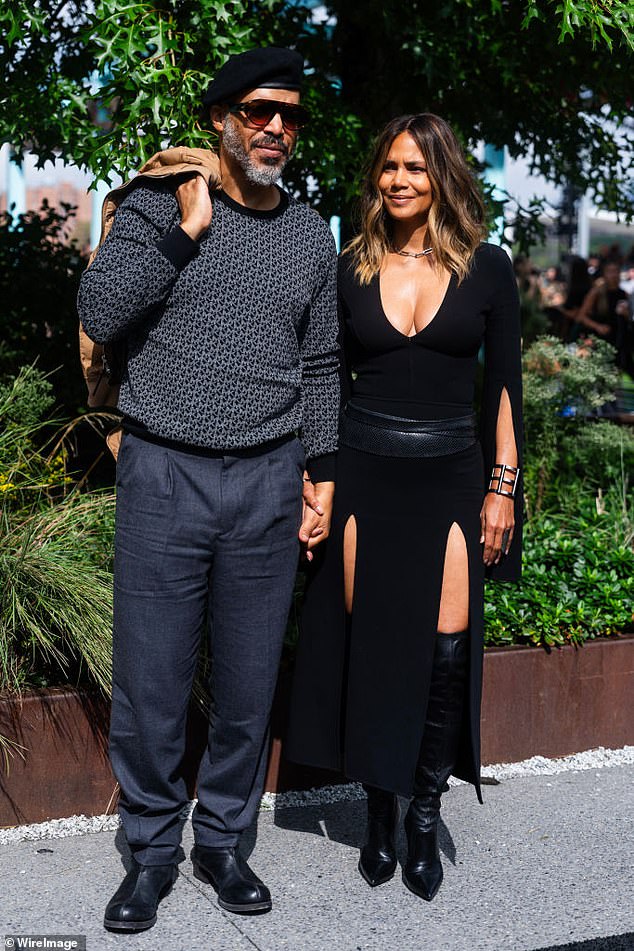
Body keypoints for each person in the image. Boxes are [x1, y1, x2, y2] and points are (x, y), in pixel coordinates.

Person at [78, 46, 339, 932]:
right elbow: (100, 313)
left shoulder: (309, 231)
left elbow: (323, 362)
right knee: (150, 680)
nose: (276, 128)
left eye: (291, 115)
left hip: (269, 476)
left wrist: (322, 474)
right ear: (221, 118)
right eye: (260, 111)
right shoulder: (157, 205)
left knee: (247, 678)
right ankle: (149, 853)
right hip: (164, 471)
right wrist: (185, 231)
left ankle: (222, 841)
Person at [287, 113, 523, 902]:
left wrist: (503, 487)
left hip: (452, 479)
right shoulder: (350, 266)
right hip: (365, 474)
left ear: (442, 177)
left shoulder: (488, 268)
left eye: (416, 169)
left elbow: (504, 388)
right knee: (373, 646)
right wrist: (316, 477)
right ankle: (380, 811)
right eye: (389, 167)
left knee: (445, 655)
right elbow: (323, 376)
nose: (399, 180)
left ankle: (425, 811)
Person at [577, 259, 632, 373]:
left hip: (617, 340)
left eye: (616, 271)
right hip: (598, 340)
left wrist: (627, 314)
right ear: (604, 274)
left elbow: (629, 319)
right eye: (610, 271)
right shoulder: (596, 293)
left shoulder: (623, 294)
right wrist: (597, 327)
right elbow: (581, 316)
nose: (613, 275)